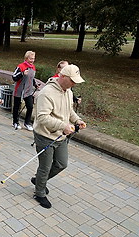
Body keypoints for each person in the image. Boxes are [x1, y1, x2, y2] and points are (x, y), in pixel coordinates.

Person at [32, 64, 87, 209]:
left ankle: (39, 181)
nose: (74, 83)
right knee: (45, 166)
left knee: (62, 164)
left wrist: (77, 120)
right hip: (45, 136)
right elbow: (42, 118)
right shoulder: (46, 93)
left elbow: (69, 111)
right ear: (62, 76)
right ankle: (39, 193)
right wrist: (63, 126)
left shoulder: (68, 91)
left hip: (61, 136)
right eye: (72, 80)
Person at [12, 51, 37, 131]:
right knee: (17, 106)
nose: (32, 60)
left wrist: (35, 85)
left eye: (33, 58)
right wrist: (22, 74)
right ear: (26, 58)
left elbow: (31, 78)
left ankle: (27, 122)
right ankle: (15, 122)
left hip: (28, 91)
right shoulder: (20, 66)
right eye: (30, 58)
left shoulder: (33, 67)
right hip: (19, 90)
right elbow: (14, 77)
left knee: (30, 107)